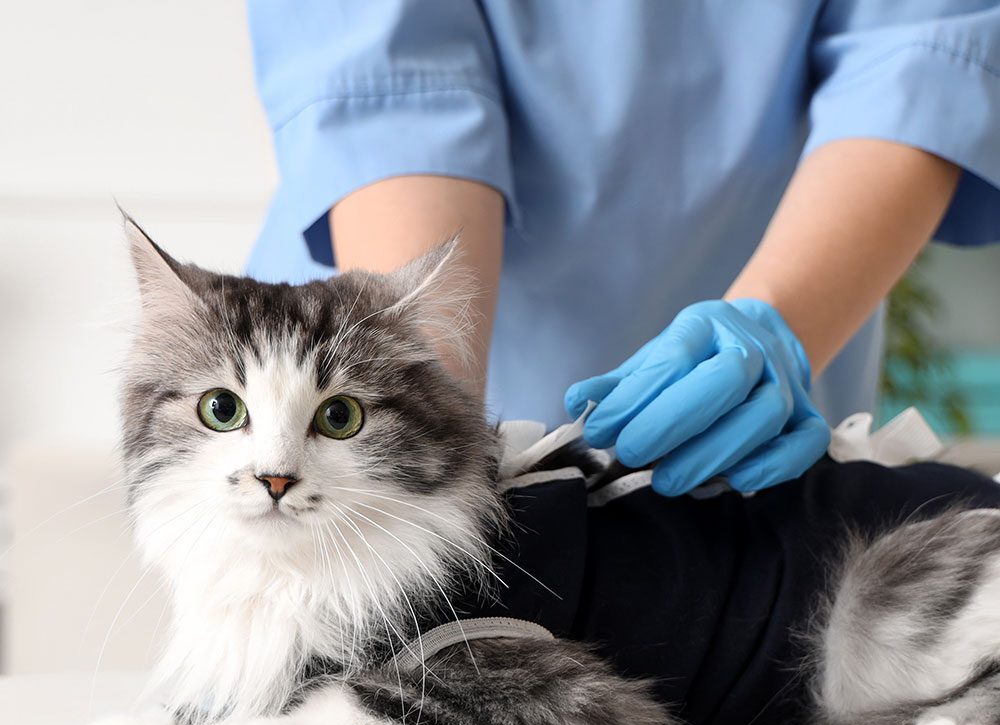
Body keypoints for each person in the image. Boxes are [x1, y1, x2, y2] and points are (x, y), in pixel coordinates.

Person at [245, 1, 1000, 496]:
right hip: (380, 408)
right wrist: (425, 440)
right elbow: (392, 96)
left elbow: (920, 58)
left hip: (764, 390)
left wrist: (778, 324)